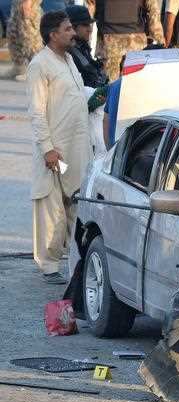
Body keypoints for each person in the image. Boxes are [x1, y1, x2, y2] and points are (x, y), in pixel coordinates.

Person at [27, 10, 91, 284]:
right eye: (67, 29)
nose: (73, 33)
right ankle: (50, 266)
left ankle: (76, 261)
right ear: (53, 34)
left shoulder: (69, 60)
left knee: (77, 203)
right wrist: (47, 148)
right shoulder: (40, 65)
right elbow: (37, 112)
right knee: (51, 205)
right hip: (56, 151)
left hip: (77, 148)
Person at [95, 0, 165, 81]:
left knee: (110, 85)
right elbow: (153, 11)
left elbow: (91, 8)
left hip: (109, 42)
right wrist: (159, 38)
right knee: (134, 83)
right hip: (135, 42)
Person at [66, 5, 108, 88]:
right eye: (85, 25)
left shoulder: (82, 46)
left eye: (89, 25)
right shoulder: (68, 53)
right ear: (73, 27)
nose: (90, 29)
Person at [4, 0, 43, 81]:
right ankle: (19, 67)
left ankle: (34, 71)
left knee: (29, 36)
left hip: (28, 4)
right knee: (14, 33)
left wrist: (28, 1)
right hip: (17, 4)